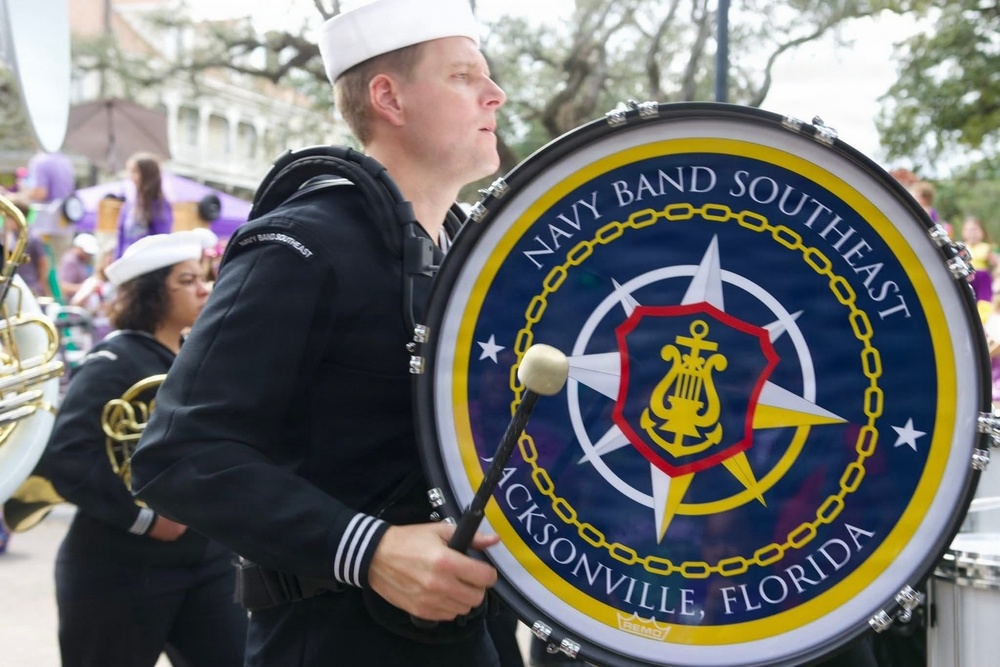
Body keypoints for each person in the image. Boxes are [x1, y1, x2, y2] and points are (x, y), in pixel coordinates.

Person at [130, 1, 507, 665]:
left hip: (474, 631)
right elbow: (177, 453)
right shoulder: (304, 240)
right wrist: (372, 549)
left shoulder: (469, 253)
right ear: (388, 97)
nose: (495, 93)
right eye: (462, 76)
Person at [34, 232, 247, 667]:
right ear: (151, 293)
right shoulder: (113, 360)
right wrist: (144, 518)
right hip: (120, 568)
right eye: (187, 280)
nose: (205, 288)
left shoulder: (194, 356)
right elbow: (67, 457)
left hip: (206, 561)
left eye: (203, 277)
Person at [116, 153, 173, 258]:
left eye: (135, 172)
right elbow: (120, 238)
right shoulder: (129, 206)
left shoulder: (159, 206)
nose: (130, 177)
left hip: (146, 265)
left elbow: (161, 241)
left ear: (148, 175)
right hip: (126, 264)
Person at [961, 214, 997, 303]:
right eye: (969, 230)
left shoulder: (986, 247)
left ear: (982, 232)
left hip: (982, 279)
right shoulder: (962, 247)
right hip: (968, 278)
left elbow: (995, 264)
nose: (972, 233)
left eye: (975, 230)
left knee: (983, 301)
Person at [57, 232, 98, 303]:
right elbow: (63, 286)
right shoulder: (70, 261)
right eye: (86, 253)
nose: (88, 256)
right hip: (68, 306)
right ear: (78, 248)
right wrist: (85, 288)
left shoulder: (80, 261)